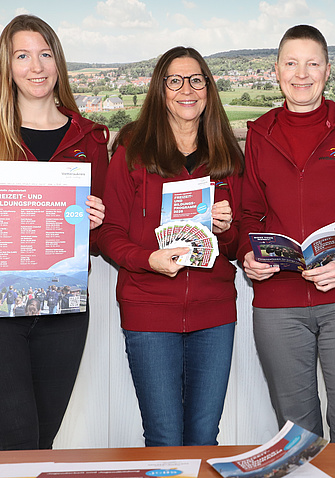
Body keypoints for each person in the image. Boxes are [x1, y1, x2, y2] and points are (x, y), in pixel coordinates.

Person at [0, 15, 108, 450]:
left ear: (58, 62)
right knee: (16, 445)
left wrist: (99, 223)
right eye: (22, 56)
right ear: (6, 66)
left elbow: (99, 239)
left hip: (62, 312)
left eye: (45, 54)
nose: (36, 66)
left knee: (40, 447)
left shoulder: (92, 138)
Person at [239, 25, 335, 442]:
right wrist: (247, 257)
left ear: (327, 71)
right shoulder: (259, 134)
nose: (301, 74)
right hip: (278, 303)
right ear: (276, 71)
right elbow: (248, 214)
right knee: (296, 432)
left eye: (312, 64)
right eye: (291, 63)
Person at [97, 46, 242, 447]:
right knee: (162, 439)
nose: (186, 90)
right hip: (148, 313)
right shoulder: (133, 151)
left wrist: (227, 229)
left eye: (196, 79)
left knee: (203, 438)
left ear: (209, 88)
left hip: (214, 315)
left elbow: (234, 244)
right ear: (161, 90)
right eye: (174, 81)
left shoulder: (226, 155)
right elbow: (107, 231)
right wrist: (147, 259)